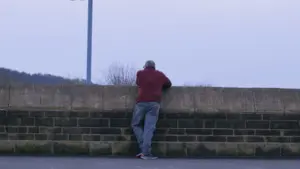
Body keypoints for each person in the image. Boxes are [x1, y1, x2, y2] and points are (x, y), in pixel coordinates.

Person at [131, 60, 172, 160]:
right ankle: (146, 152)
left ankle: (144, 149)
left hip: (141, 102)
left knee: (135, 124)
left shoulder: (140, 73)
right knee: (149, 128)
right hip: (154, 103)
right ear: (154, 67)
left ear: (145, 66)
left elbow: (138, 83)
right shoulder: (160, 75)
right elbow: (168, 84)